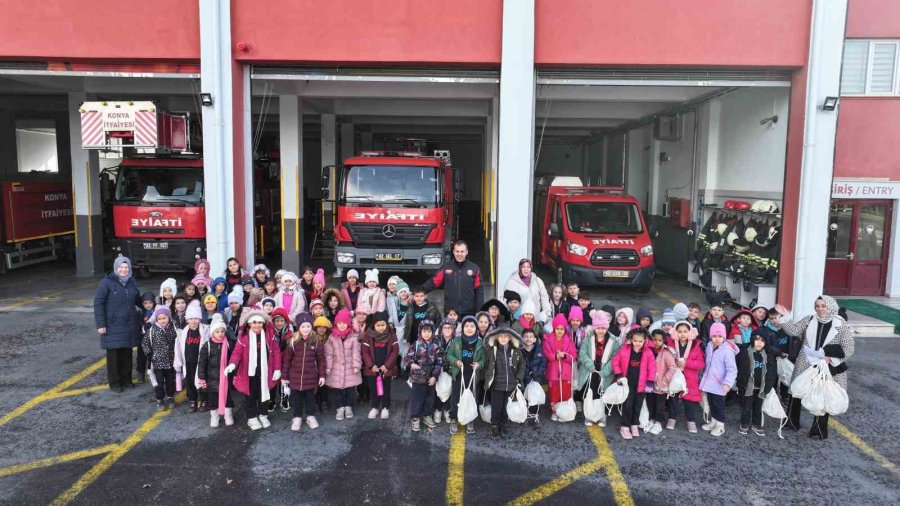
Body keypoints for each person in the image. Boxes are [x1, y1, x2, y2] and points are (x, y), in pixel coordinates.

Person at [775, 295, 855, 440]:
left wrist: (830, 357)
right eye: (817, 306)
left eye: (823, 306)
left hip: (829, 364)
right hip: (806, 360)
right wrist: (785, 315)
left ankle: (818, 430)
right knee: (796, 390)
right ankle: (791, 423)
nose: (820, 309)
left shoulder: (841, 324)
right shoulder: (809, 319)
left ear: (830, 306)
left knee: (823, 395)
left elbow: (849, 348)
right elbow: (793, 331)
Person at [225, 310, 283, 430]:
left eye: (260, 323)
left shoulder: (269, 336)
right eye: (254, 322)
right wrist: (232, 364)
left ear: (263, 323)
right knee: (250, 396)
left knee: (264, 394)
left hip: (265, 372)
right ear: (249, 324)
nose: (257, 325)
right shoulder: (244, 338)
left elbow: (276, 352)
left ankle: (263, 415)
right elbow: (237, 353)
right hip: (249, 373)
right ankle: (252, 418)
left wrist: (277, 369)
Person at [93, 256, 143, 392]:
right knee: (114, 354)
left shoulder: (132, 282)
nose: (123, 270)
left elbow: (138, 300)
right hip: (112, 325)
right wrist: (100, 324)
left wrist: (153, 305)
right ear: (116, 268)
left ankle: (127, 380)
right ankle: (115, 383)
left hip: (129, 324)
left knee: (127, 353)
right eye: (121, 267)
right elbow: (98, 303)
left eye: (126, 267)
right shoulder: (106, 283)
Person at [281, 312, 326, 431]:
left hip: (311, 377)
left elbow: (321, 360)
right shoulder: (293, 341)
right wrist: (284, 377)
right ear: (298, 327)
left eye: (308, 326)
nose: (305, 329)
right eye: (303, 327)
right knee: (297, 399)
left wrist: (322, 375)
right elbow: (287, 360)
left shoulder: (316, 341)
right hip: (295, 376)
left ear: (311, 327)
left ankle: (310, 416)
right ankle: (297, 417)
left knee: (310, 398)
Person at [577, 312, 620, 427]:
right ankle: (589, 415)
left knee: (602, 393)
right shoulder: (589, 337)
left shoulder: (613, 340)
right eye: (598, 328)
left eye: (603, 328)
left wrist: (605, 371)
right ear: (594, 328)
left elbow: (615, 358)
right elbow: (583, 353)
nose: (600, 330)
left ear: (607, 328)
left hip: (604, 371)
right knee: (589, 392)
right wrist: (590, 365)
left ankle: (602, 416)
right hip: (590, 370)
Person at [612, 329, 656, 440]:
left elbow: (652, 368)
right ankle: (625, 426)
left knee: (637, 406)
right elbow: (615, 361)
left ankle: (634, 424)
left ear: (645, 341)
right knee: (627, 405)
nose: (637, 343)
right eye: (635, 341)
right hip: (627, 384)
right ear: (631, 340)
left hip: (641, 385)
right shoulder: (625, 349)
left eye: (640, 341)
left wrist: (650, 382)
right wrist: (619, 375)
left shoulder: (648, 353)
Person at [423, 240, 484, 317]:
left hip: (469, 312)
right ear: (454, 252)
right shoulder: (446, 267)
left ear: (466, 252)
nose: (459, 254)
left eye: (462, 251)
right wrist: (419, 291)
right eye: (457, 251)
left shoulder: (474, 268)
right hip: (450, 313)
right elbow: (433, 282)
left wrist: (479, 311)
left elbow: (479, 290)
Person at [446, 315, 485, 433]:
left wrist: (479, 365)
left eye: (472, 326)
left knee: (472, 397)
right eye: (466, 326)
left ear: (476, 329)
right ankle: (453, 419)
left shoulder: (479, 342)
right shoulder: (457, 341)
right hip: (458, 375)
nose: (469, 328)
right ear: (462, 328)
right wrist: (455, 361)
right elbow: (449, 355)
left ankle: (470, 419)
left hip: (473, 377)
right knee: (456, 398)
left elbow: (484, 359)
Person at [483, 327, 525, 438]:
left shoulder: (516, 351)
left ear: (510, 338)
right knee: (496, 406)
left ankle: (504, 423)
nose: (503, 338)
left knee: (506, 406)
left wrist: (518, 379)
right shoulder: (492, 350)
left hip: (511, 384)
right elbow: (486, 365)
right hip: (496, 385)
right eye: (500, 336)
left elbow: (522, 365)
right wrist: (487, 377)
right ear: (496, 337)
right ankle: (495, 425)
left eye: (506, 336)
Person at [403, 319, 444, 432]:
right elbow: (407, 358)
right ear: (420, 332)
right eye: (424, 331)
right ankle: (415, 417)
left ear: (433, 332)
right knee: (417, 399)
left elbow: (439, 363)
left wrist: (435, 376)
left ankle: (427, 415)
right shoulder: (415, 345)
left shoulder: (436, 346)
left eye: (429, 331)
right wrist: (411, 363)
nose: (426, 333)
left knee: (429, 399)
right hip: (417, 378)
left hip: (430, 379)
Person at [665, 321, 705, 433]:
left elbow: (701, 364)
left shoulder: (695, 346)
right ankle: (671, 418)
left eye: (685, 331)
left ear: (690, 333)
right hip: (675, 376)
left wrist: (686, 363)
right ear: (675, 333)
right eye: (679, 331)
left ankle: (691, 420)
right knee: (673, 398)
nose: (682, 334)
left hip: (689, 378)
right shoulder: (670, 343)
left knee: (689, 400)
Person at [699, 322, 738, 437]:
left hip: (720, 384)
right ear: (711, 336)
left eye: (720, 336)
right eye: (714, 336)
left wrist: (728, 383)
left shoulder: (727, 351)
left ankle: (720, 425)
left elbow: (732, 370)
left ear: (724, 337)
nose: (717, 339)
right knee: (711, 403)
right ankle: (714, 421)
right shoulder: (710, 346)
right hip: (710, 382)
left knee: (719, 405)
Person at [736, 332, 776, 436]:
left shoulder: (768, 355)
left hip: (761, 387)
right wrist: (739, 383)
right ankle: (744, 423)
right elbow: (739, 367)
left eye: (762, 340)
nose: (759, 342)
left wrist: (768, 386)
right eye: (757, 339)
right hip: (748, 386)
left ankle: (756, 424)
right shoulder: (744, 352)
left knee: (758, 407)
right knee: (746, 406)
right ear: (752, 340)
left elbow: (772, 372)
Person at [198, 315, 235, 427]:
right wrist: (202, 378)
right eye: (217, 331)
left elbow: (233, 360)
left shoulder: (228, 344)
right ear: (212, 333)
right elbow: (202, 363)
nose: (220, 334)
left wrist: (235, 374)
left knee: (227, 397)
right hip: (212, 378)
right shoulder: (207, 345)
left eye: (222, 331)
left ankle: (228, 415)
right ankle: (214, 416)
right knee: (213, 398)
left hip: (226, 378)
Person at [324, 309, 362, 421]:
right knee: (337, 390)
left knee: (349, 389)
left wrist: (356, 365)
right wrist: (328, 367)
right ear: (336, 324)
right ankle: (340, 407)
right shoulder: (332, 337)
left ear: (348, 323)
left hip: (350, 368)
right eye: (339, 323)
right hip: (336, 368)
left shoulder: (353, 337)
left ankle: (348, 406)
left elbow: (356, 352)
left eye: (344, 323)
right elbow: (329, 354)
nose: (342, 325)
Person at [361, 311, 399, 420]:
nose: (381, 328)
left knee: (386, 388)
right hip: (373, 369)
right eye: (378, 325)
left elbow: (394, 351)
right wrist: (371, 365)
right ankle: (375, 407)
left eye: (383, 325)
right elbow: (365, 352)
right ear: (374, 325)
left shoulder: (391, 335)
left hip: (386, 369)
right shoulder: (368, 335)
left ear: (387, 324)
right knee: (374, 389)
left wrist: (387, 366)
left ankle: (385, 407)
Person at [173, 302, 209, 412]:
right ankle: (192, 400)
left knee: (202, 381)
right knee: (190, 382)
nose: (193, 321)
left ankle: (204, 400)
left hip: (201, 362)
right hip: (188, 362)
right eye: (191, 318)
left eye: (196, 318)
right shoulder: (183, 332)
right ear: (187, 319)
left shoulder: (205, 330)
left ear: (200, 319)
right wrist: (178, 362)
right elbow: (178, 348)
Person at [142, 307, 179, 410]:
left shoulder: (173, 328)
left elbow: (178, 341)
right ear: (156, 319)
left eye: (164, 318)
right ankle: (160, 399)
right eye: (160, 319)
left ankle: (170, 397)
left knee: (170, 381)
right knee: (159, 382)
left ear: (169, 317)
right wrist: (150, 355)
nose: (162, 320)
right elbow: (145, 343)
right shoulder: (152, 330)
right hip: (157, 363)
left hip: (171, 361)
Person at [543, 314, 577, 422]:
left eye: (562, 329)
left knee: (566, 393)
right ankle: (555, 411)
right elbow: (546, 353)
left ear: (565, 329)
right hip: (553, 371)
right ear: (554, 328)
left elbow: (574, 356)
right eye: (557, 328)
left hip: (566, 372)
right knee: (554, 393)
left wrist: (565, 356)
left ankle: (564, 411)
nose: (559, 331)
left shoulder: (569, 341)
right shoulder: (548, 340)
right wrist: (554, 356)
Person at [647, 329, 674, 434]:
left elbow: (672, 367)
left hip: (660, 384)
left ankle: (659, 422)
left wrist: (664, 380)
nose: (656, 342)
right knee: (650, 402)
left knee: (660, 404)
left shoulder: (666, 352)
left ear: (663, 341)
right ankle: (651, 419)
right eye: (654, 339)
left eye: (659, 340)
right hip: (649, 383)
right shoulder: (648, 350)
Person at [520, 327, 546, 424]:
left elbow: (543, 363)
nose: (528, 339)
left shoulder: (539, 350)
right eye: (526, 336)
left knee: (535, 395)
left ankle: (535, 413)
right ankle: (525, 413)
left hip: (536, 377)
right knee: (525, 395)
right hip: (525, 378)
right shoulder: (520, 351)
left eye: (531, 337)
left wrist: (537, 373)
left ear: (535, 339)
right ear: (522, 338)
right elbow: (519, 364)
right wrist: (526, 374)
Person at [434, 318, 458, 424]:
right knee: (437, 392)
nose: (447, 330)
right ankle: (437, 410)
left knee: (449, 391)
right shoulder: (435, 340)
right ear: (441, 329)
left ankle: (447, 410)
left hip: (450, 370)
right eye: (445, 327)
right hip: (437, 370)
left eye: (450, 328)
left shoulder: (457, 341)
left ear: (453, 329)